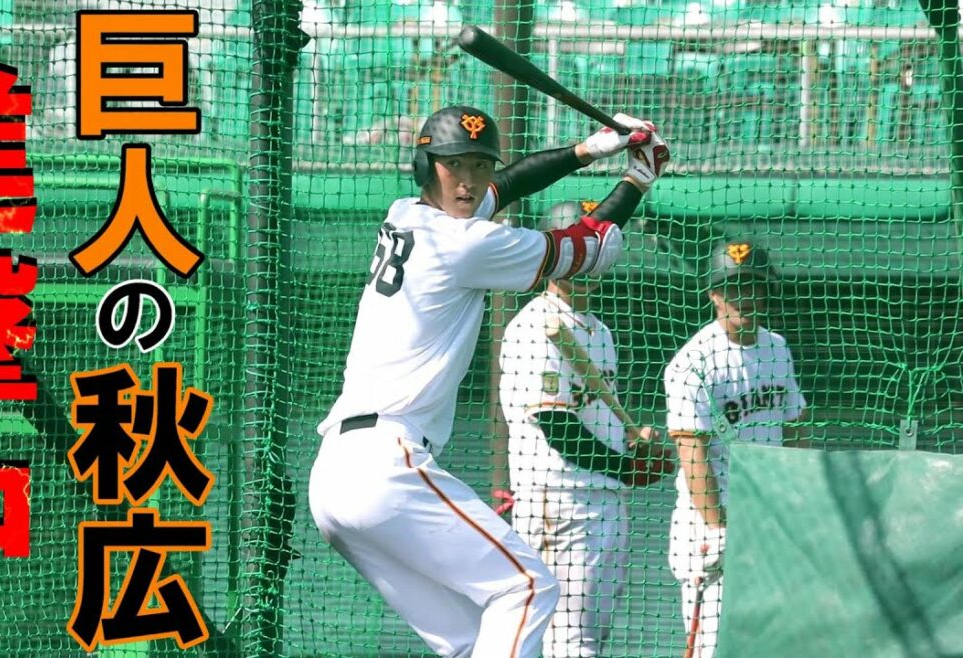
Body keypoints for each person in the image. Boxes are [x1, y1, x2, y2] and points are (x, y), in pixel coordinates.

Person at [308, 104, 670, 657]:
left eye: (479, 164)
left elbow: (508, 184)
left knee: (474, 638)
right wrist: (638, 178)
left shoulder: (405, 214)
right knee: (528, 587)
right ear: (426, 166)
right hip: (387, 466)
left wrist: (586, 150)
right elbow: (586, 250)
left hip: (335, 478)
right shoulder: (465, 245)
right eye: (454, 165)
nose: (469, 180)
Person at [497, 200, 677, 658]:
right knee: (568, 641)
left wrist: (632, 442)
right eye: (575, 253)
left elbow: (592, 416)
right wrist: (625, 467)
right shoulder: (536, 326)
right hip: (559, 502)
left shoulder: (598, 331)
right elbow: (557, 427)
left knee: (585, 639)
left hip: (601, 498)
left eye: (591, 254)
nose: (583, 265)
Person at [664, 240, 808, 658]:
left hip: (767, 516)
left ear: (765, 291)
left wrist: (798, 501)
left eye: (751, 287)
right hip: (710, 524)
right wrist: (716, 527)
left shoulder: (776, 348)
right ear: (713, 294)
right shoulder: (693, 363)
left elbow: (795, 425)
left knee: (769, 642)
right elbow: (692, 454)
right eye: (731, 288)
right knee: (713, 646)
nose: (742, 298)